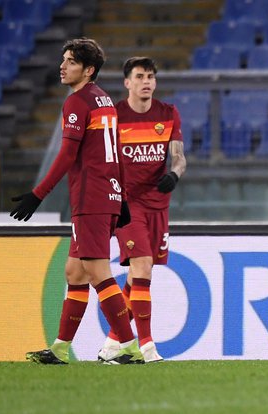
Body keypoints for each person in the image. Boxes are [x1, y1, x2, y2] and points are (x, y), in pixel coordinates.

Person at [10, 38, 144, 365]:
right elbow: (115, 153)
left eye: (70, 62)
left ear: (88, 70)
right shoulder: (105, 100)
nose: (62, 66)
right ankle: (59, 348)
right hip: (106, 193)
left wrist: (37, 194)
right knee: (75, 271)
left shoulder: (77, 102)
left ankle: (129, 346)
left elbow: (68, 154)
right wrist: (121, 196)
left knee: (97, 271)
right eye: (64, 60)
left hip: (91, 197)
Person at [96, 57, 186, 363]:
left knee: (138, 276)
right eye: (140, 76)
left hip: (158, 205)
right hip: (125, 204)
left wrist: (174, 174)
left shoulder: (168, 113)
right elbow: (102, 159)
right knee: (143, 266)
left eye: (150, 76)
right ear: (127, 83)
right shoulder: (115, 116)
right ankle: (146, 346)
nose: (146, 81)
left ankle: (111, 342)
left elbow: (180, 157)